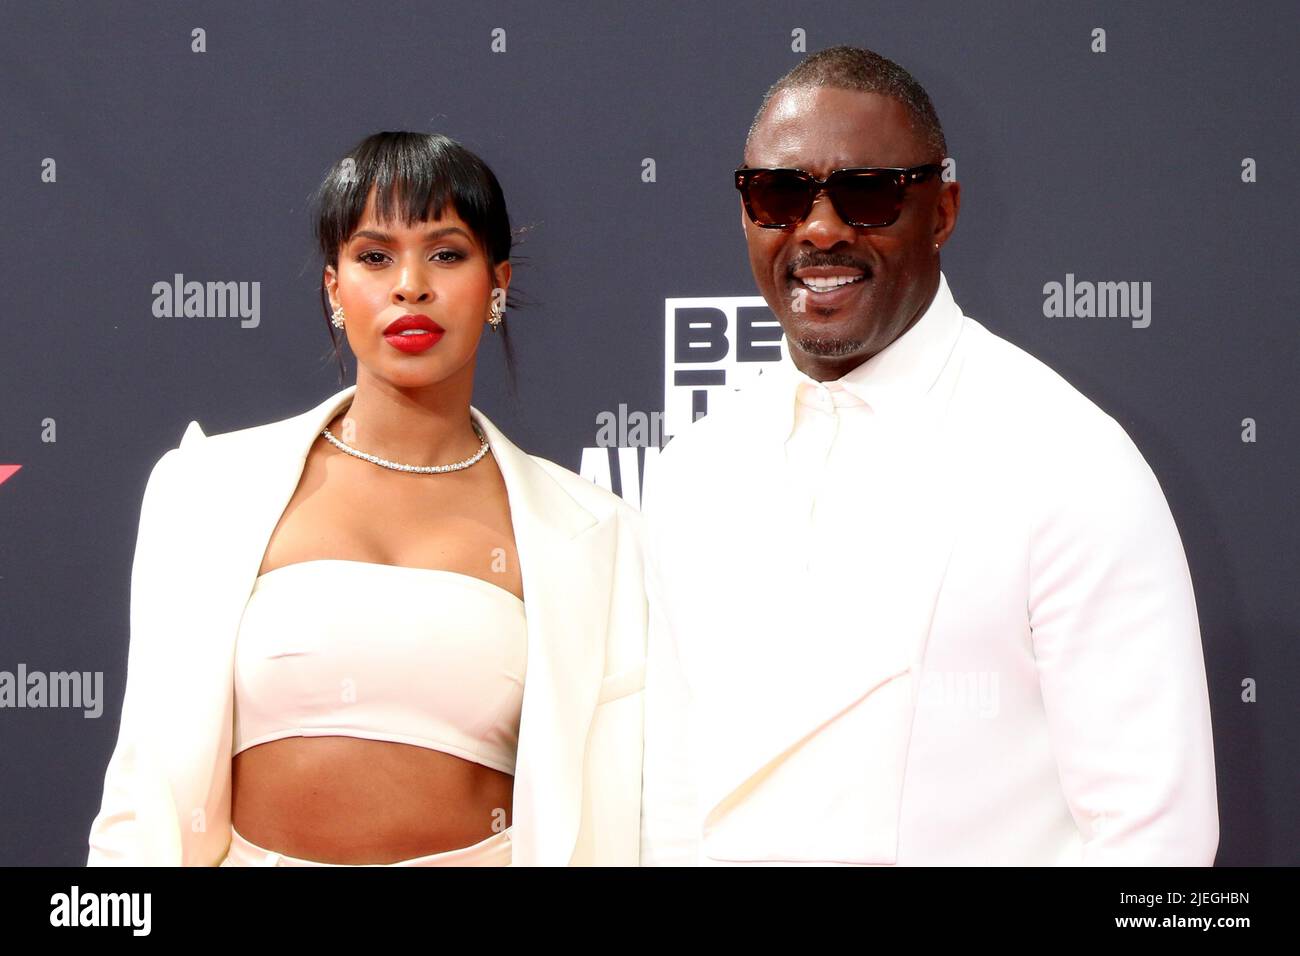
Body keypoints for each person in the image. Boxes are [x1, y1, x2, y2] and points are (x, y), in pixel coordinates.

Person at [639, 47, 1218, 866]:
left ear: (942, 210)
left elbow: (1155, 836)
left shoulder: (1067, 460)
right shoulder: (689, 472)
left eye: (868, 195)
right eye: (779, 194)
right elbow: (671, 797)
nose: (821, 228)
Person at [86, 131, 646, 867]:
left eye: (446, 253)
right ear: (334, 288)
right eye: (375, 256)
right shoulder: (204, 491)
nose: (410, 284)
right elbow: (141, 792)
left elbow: (617, 809)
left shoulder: (594, 531)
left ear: (497, 285)